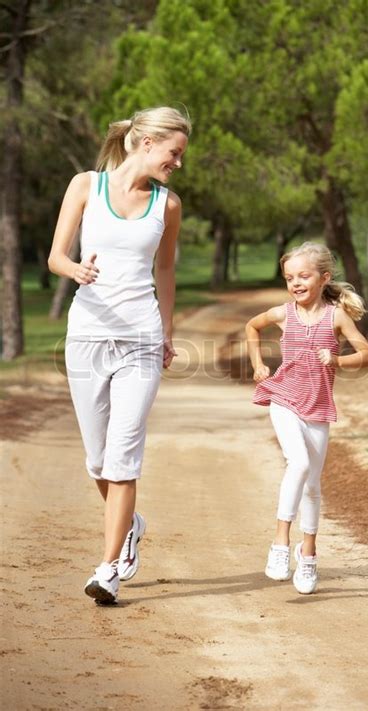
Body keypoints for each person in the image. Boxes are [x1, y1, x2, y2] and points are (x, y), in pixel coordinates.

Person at [48, 107, 191, 604]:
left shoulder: (167, 205)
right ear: (145, 142)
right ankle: (131, 526)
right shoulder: (86, 185)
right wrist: (75, 272)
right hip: (87, 337)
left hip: (141, 341)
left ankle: (108, 568)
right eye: (173, 154)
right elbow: (55, 256)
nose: (177, 164)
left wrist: (167, 331)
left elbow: (166, 272)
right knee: (97, 461)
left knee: (122, 457)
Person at [245, 242, 368, 594]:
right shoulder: (284, 314)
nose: (296, 283)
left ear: (324, 278)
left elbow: (367, 354)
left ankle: (309, 555)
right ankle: (279, 545)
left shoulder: (336, 316)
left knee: (313, 486)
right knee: (299, 464)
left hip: (317, 408)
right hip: (284, 398)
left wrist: (337, 361)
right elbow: (252, 328)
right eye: (290, 278)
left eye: (304, 276)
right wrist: (259, 364)